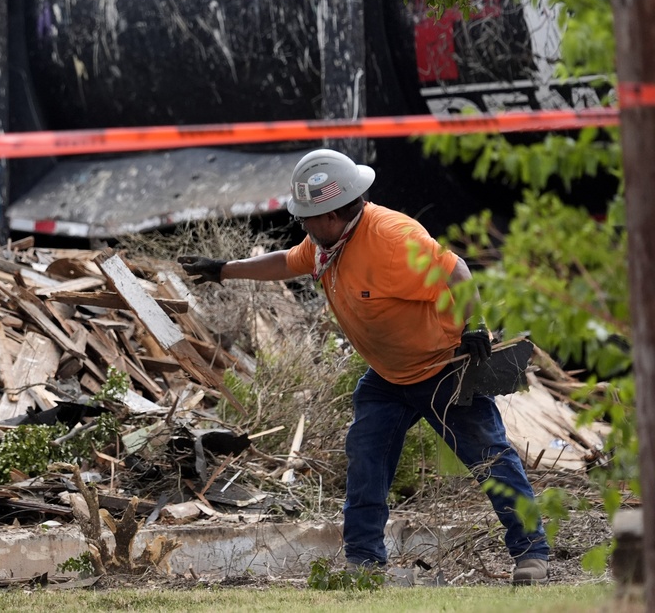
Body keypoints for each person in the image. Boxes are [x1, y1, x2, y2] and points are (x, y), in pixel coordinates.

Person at [178, 148, 550, 585]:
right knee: (366, 461)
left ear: (333, 213)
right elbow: (285, 262)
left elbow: (457, 268)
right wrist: (224, 270)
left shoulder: (394, 239)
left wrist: (476, 325)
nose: (302, 225)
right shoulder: (327, 244)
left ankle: (532, 554)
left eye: (305, 218)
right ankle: (364, 562)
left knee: (491, 460)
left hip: (443, 368)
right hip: (389, 378)